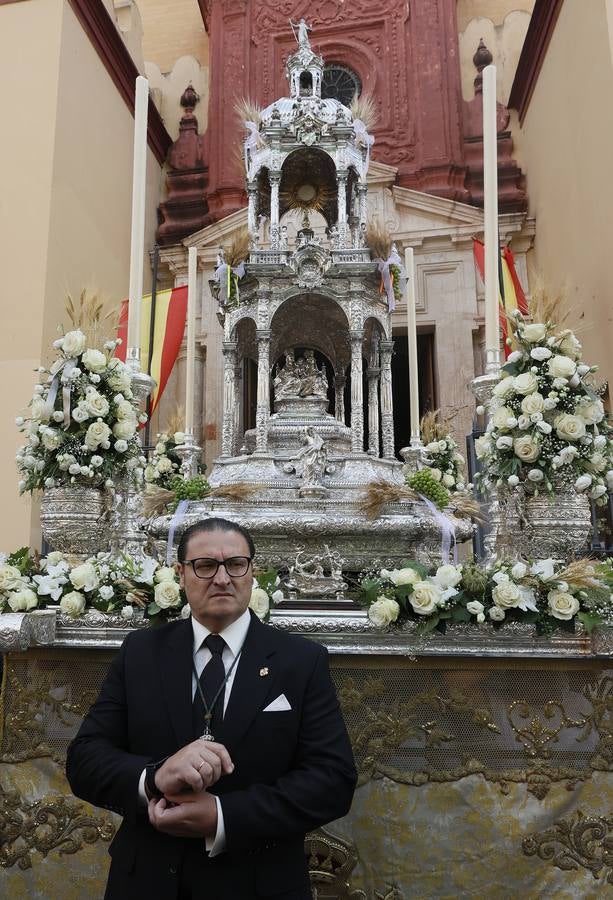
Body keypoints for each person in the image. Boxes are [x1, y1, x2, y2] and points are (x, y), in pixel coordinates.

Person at [66, 517, 356, 899]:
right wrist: (154, 777)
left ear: (253, 571)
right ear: (181, 574)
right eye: (205, 566)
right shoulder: (140, 653)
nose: (222, 579)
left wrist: (223, 816)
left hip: (257, 883)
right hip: (147, 881)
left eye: (235, 564)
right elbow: (84, 760)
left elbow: (332, 780)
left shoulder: (300, 661)